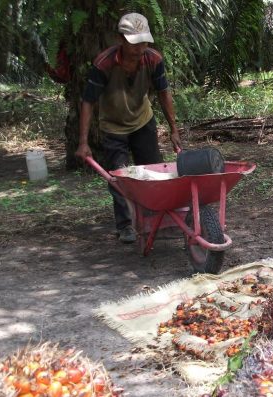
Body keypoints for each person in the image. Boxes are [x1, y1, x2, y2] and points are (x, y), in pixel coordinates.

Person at [76, 12, 182, 243]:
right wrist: (83, 142)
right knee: (119, 176)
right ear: (120, 39)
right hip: (113, 127)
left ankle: (155, 217)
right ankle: (125, 224)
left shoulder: (153, 60)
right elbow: (88, 102)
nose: (139, 48)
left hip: (143, 121)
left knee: (155, 172)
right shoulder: (103, 64)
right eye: (134, 43)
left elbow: (164, 94)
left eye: (143, 42)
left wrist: (173, 129)